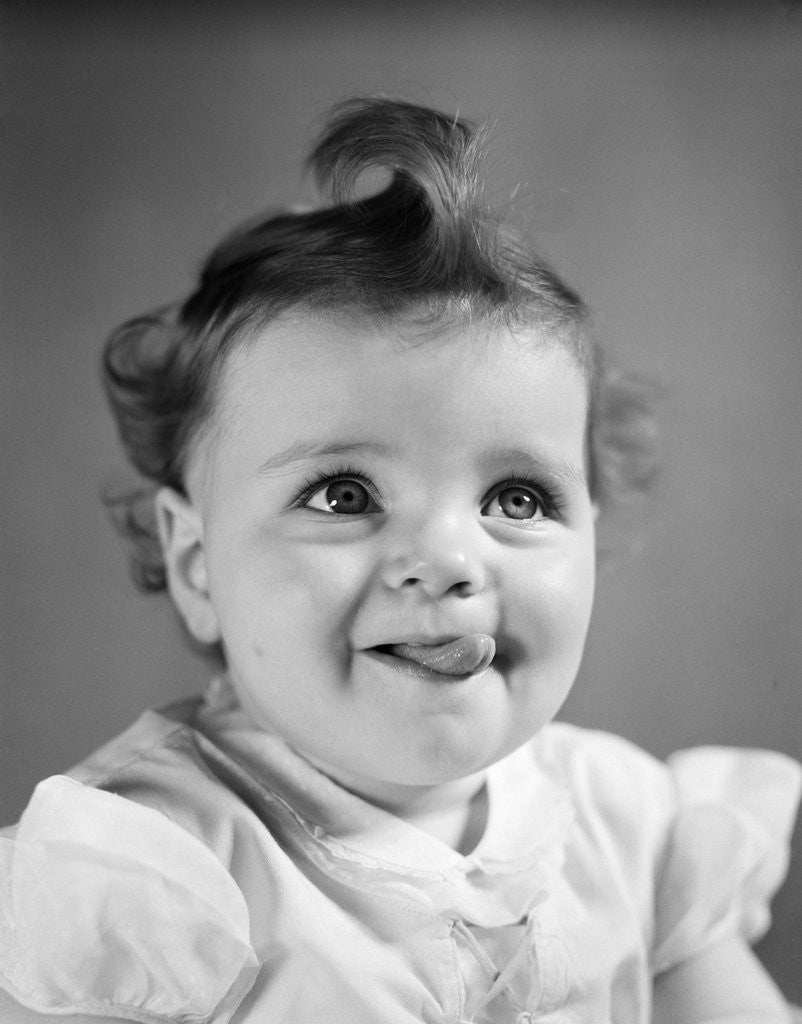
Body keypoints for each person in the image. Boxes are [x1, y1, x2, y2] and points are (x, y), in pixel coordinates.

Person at [0, 97, 799, 1024]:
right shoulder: (152, 880)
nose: (448, 559)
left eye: (518, 499)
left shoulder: (635, 827)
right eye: (345, 495)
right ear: (196, 565)